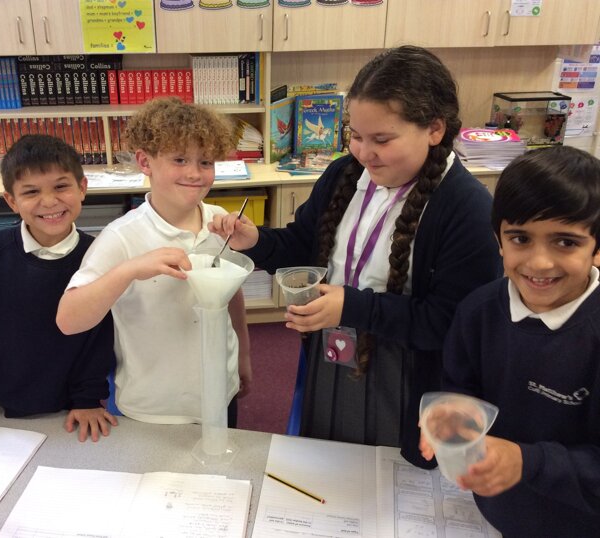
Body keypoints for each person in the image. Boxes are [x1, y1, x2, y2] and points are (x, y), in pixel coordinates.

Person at [210, 45, 502, 466]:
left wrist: (353, 306)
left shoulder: (466, 208)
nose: (364, 153)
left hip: (405, 374)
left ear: (435, 129)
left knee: (386, 478)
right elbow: (304, 245)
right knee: (326, 464)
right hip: (334, 354)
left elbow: (451, 324)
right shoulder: (344, 174)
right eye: (356, 135)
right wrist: (256, 240)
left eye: (382, 139)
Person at [420, 145, 600, 536]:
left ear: (597, 248)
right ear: (499, 240)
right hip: (496, 515)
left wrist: (527, 462)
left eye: (566, 242)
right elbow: (461, 387)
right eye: (520, 238)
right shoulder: (477, 311)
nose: (539, 262)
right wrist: (451, 414)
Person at [56, 97, 251, 426]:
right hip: (153, 407)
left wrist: (243, 356)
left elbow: (231, 294)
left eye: (205, 162)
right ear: (145, 162)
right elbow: (68, 320)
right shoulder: (121, 237)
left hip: (219, 390)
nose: (194, 173)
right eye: (179, 159)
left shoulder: (219, 222)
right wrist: (130, 270)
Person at [0, 134, 117, 444]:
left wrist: (87, 397)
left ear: (82, 188)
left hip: (68, 410)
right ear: (12, 201)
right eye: (31, 192)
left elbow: (100, 337)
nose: (49, 202)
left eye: (61, 187)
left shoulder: (99, 258)